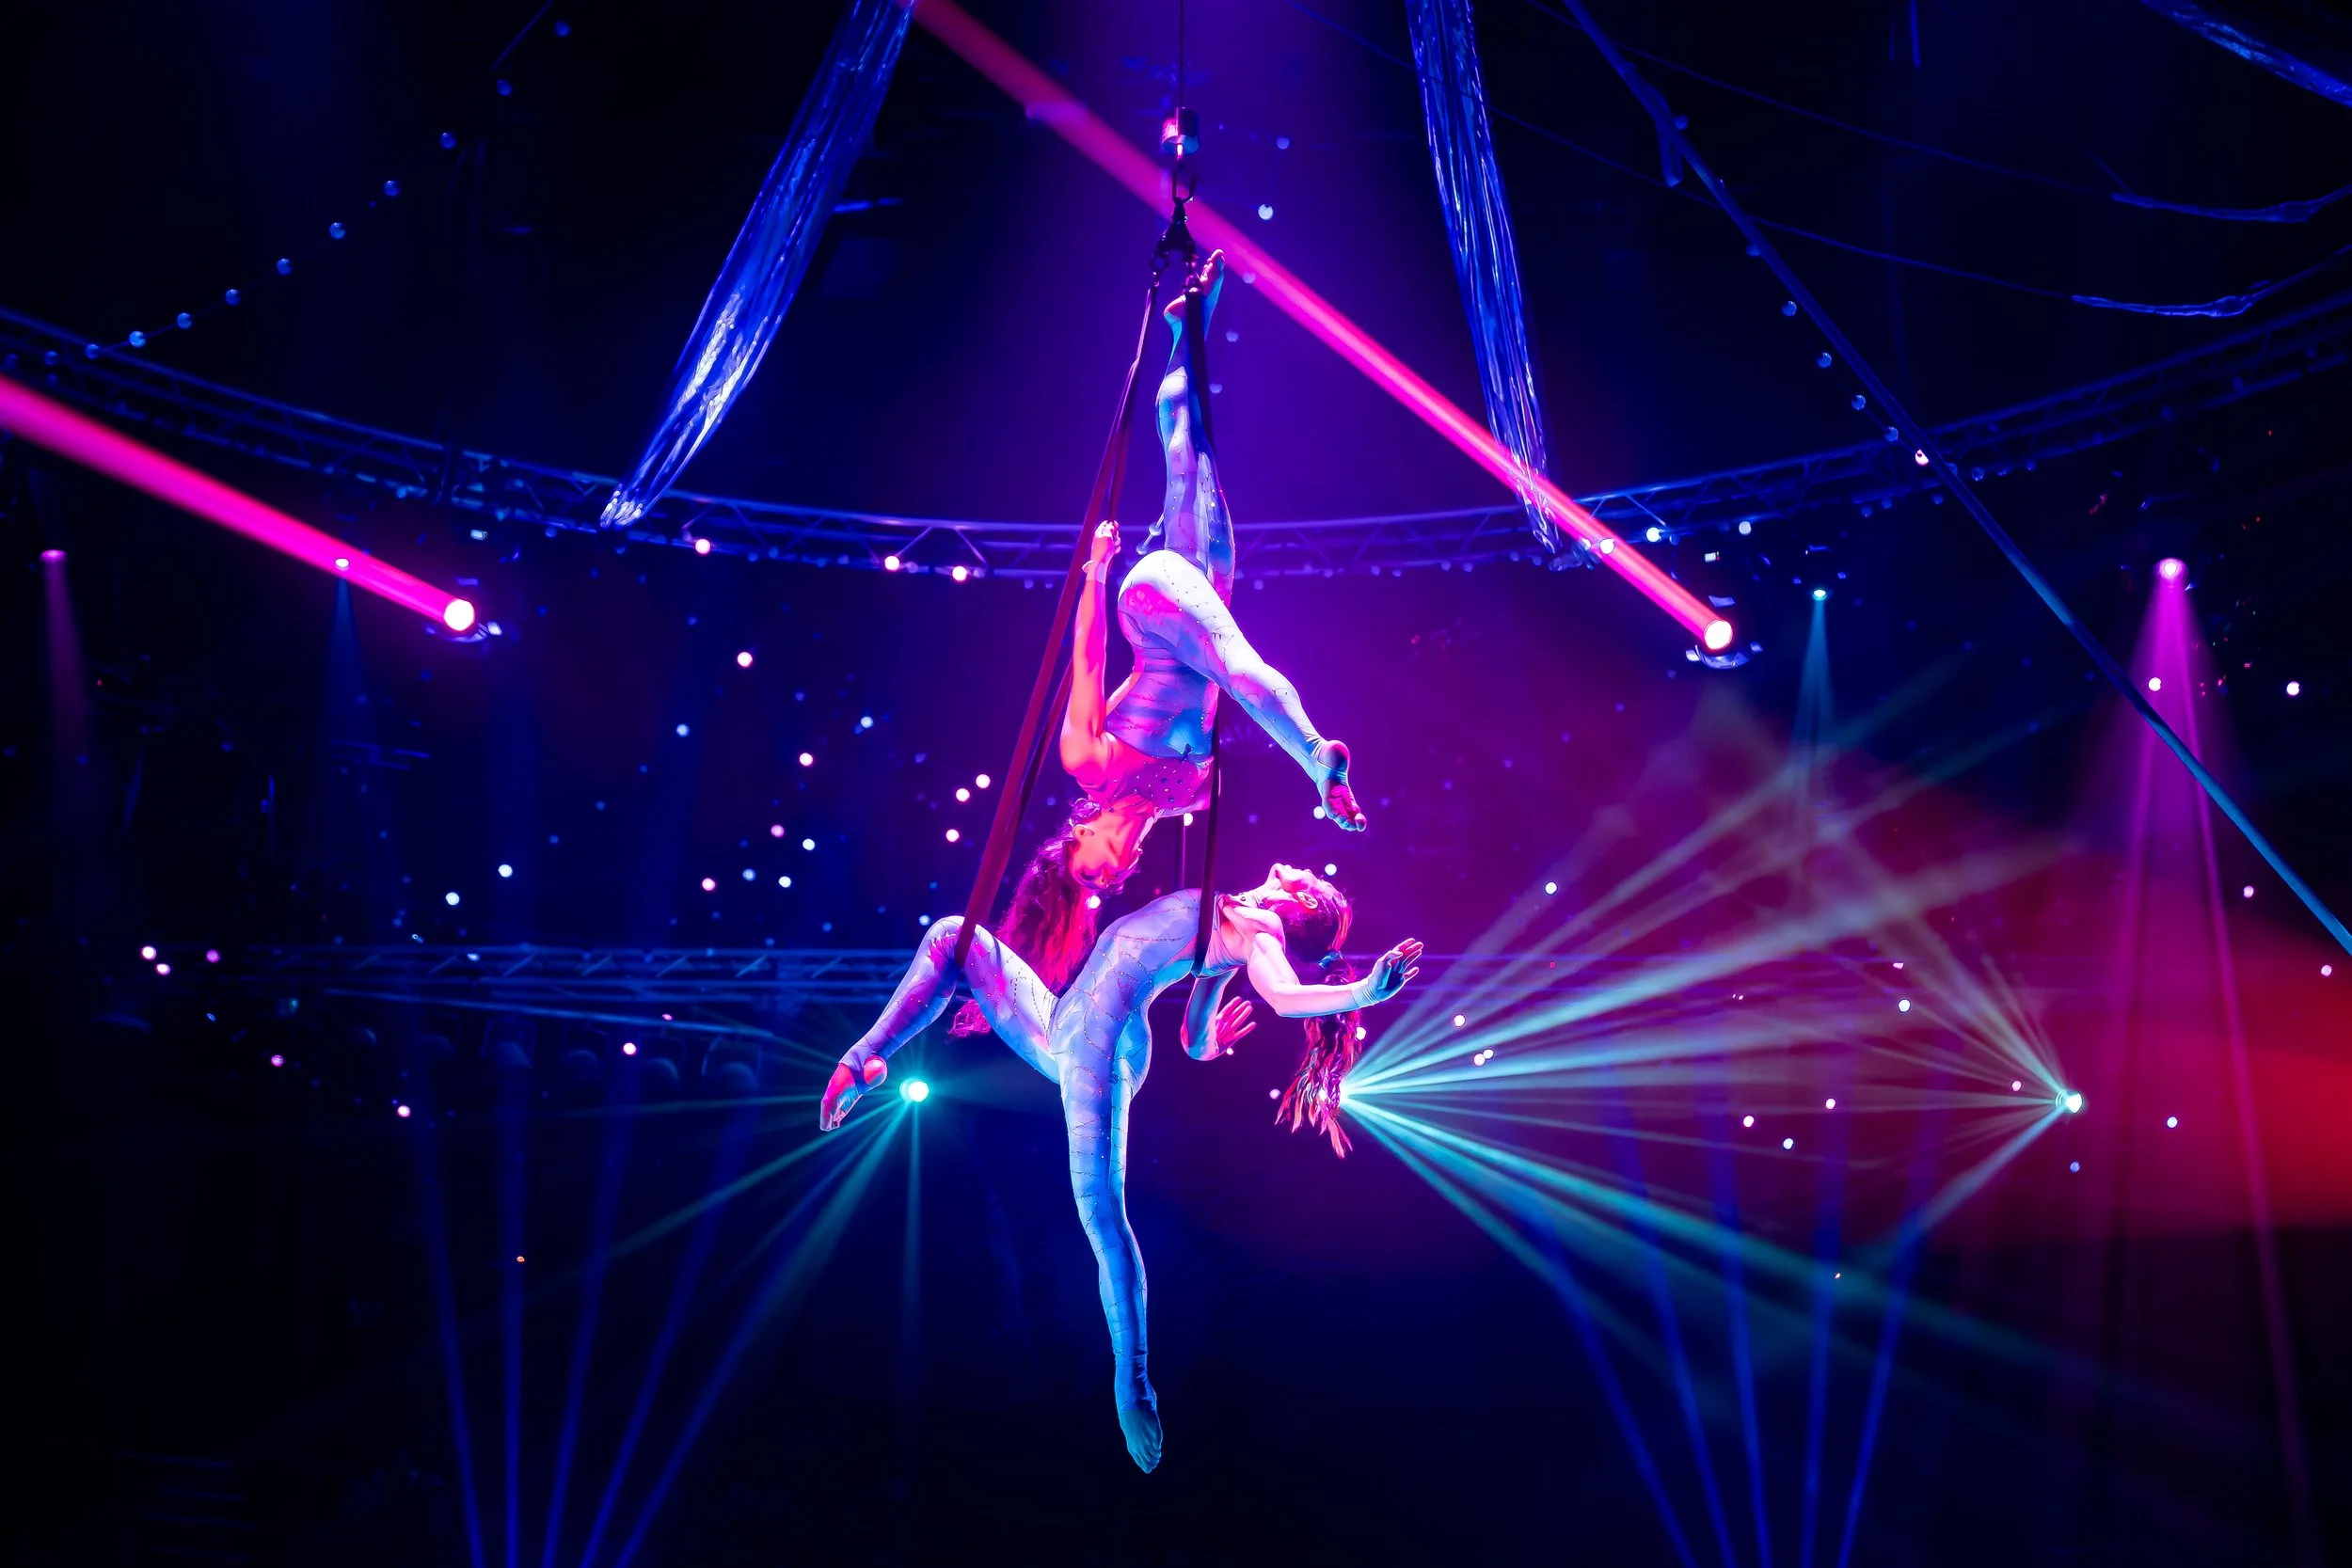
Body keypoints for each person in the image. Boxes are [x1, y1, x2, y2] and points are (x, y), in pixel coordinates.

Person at [819, 863, 1422, 1472]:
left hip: (1100, 1052)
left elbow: (1286, 997)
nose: (1304, 868)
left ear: (1301, 902)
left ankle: (1132, 1384)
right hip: (1062, 1022)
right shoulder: (1228, 911)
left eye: (1313, 880)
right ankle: (862, 1060)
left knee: (1102, 1216)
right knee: (955, 935)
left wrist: (1365, 993)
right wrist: (1207, 1043)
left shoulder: (1261, 930)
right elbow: (1192, 1035)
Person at [951, 249, 1362, 1033]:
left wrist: (1096, 573)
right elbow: (1218, 943)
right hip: (1202, 611)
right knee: (1188, 446)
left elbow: (1087, 661)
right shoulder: (1188, 800)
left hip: (1152, 606)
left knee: (1237, 667)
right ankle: (1188, 325)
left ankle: (1317, 755)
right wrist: (1201, 1029)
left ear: (1075, 836)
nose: (1112, 877)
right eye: (1111, 885)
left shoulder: (1090, 763)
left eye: (1090, 875)